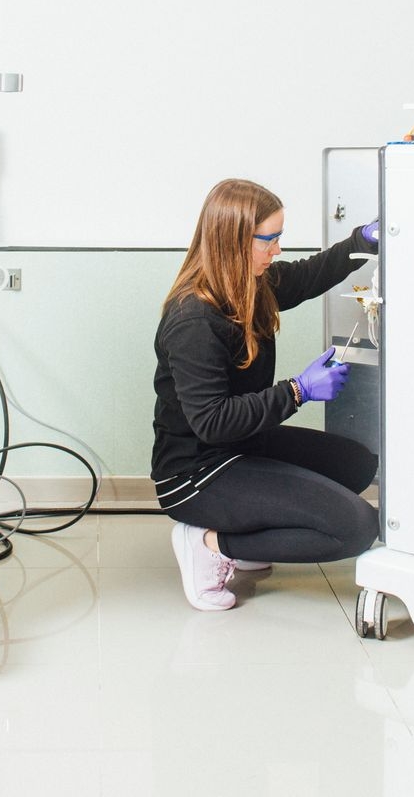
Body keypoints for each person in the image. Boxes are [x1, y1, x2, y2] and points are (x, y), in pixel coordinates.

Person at [152, 178, 381, 611]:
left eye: (279, 237)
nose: (277, 250)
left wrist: (362, 241)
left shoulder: (251, 284)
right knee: (357, 527)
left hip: (242, 444)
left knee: (356, 466)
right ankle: (210, 543)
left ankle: (247, 530)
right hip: (196, 471)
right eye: (269, 240)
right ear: (234, 240)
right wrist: (298, 390)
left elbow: (310, 274)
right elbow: (213, 421)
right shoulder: (194, 319)